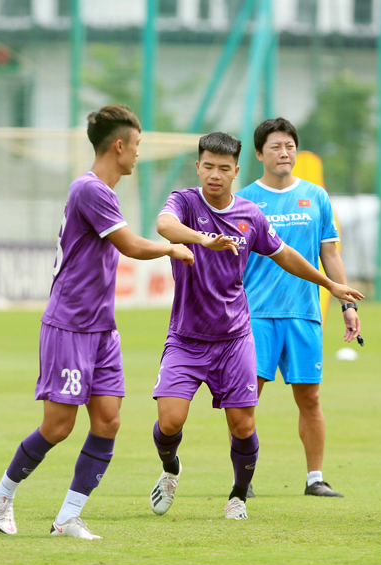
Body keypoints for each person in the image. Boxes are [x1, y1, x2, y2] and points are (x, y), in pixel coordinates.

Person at [0, 105, 194, 540]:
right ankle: (2, 494)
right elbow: (132, 247)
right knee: (59, 425)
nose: (138, 154)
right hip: (69, 324)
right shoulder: (90, 189)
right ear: (118, 146)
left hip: (101, 328)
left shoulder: (102, 191)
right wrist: (172, 248)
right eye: (136, 146)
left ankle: (67, 518)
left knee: (108, 421)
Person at [148, 132, 364, 520]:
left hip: (234, 338)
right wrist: (204, 239)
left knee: (244, 424)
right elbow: (164, 226)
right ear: (198, 167)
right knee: (169, 422)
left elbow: (285, 255)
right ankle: (170, 468)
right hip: (186, 336)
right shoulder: (183, 201)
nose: (214, 174)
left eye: (223, 168)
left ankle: (238, 496)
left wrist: (330, 285)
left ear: (235, 172)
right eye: (208, 166)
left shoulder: (250, 214)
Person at [239, 118, 360, 498]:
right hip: (255, 313)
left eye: (290, 145)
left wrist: (345, 304)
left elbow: (329, 253)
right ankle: (244, 478)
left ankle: (315, 479)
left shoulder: (316, 196)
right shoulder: (243, 200)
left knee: (310, 398)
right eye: (275, 146)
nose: (284, 152)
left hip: (304, 313)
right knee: (246, 397)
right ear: (260, 153)